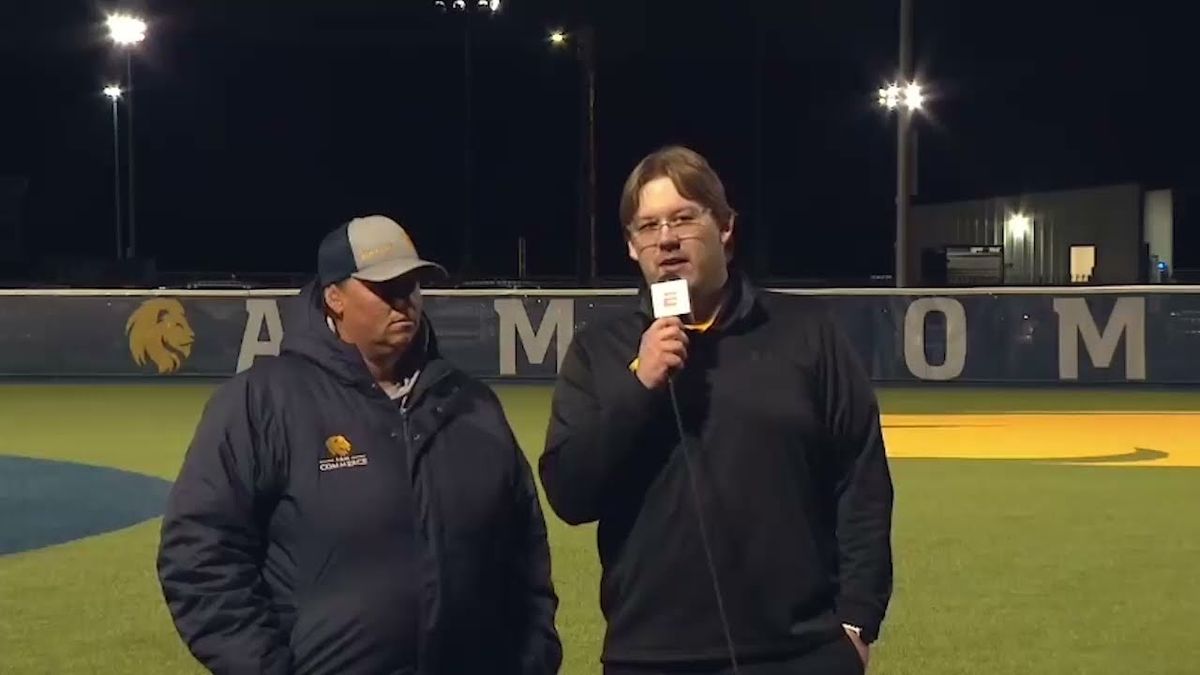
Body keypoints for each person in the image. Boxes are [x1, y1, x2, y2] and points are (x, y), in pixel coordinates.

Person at [539, 146, 894, 674]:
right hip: (651, 655)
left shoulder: (807, 331)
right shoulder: (599, 351)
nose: (666, 239)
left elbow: (861, 481)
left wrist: (856, 623)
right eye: (648, 226)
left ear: (725, 228)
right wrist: (641, 386)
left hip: (801, 653)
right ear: (632, 247)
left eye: (684, 218)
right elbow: (570, 493)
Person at [157, 215, 562, 675]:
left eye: (410, 284)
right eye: (383, 287)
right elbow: (198, 555)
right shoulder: (262, 400)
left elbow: (525, 553)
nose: (403, 301)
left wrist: (533, 659)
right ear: (334, 297)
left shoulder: (473, 405)